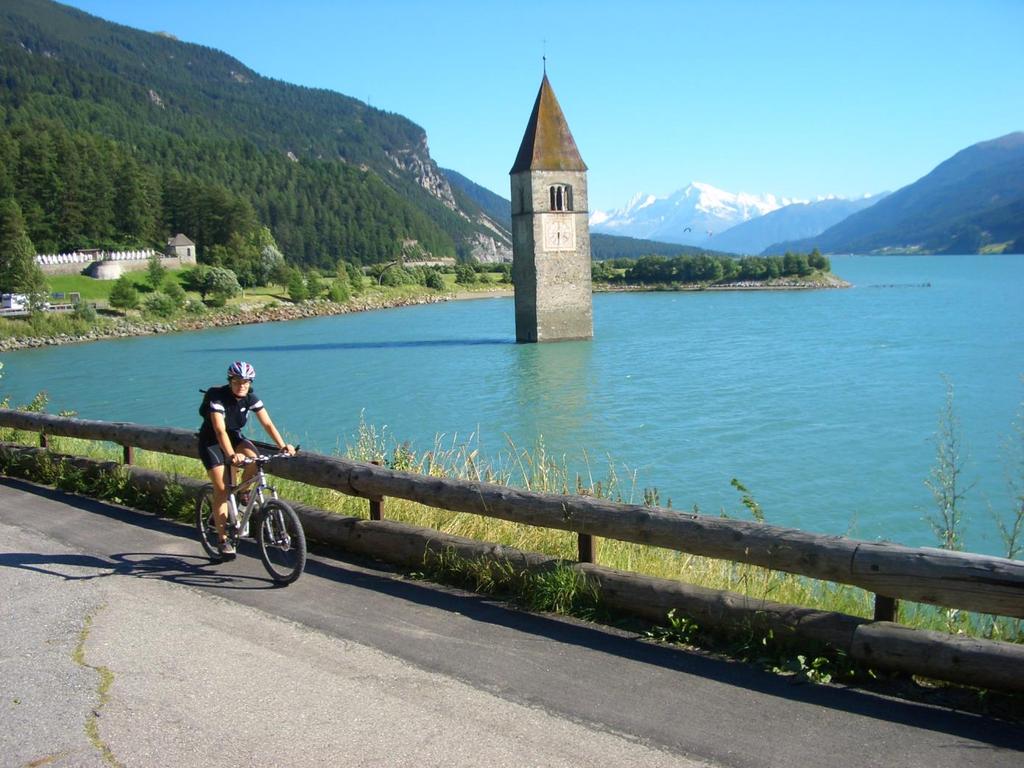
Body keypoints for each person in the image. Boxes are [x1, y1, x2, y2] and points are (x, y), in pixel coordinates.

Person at [198, 361, 295, 558]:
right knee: (222, 489)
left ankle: (243, 493)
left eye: (246, 381)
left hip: (234, 436)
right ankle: (223, 540)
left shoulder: (250, 398)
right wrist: (231, 455)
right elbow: (219, 430)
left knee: (256, 459)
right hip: (211, 442)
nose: (242, 385)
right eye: (237, 381)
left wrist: (283, 445)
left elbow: (267, 423)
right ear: (230, 380)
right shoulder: (217, 397)